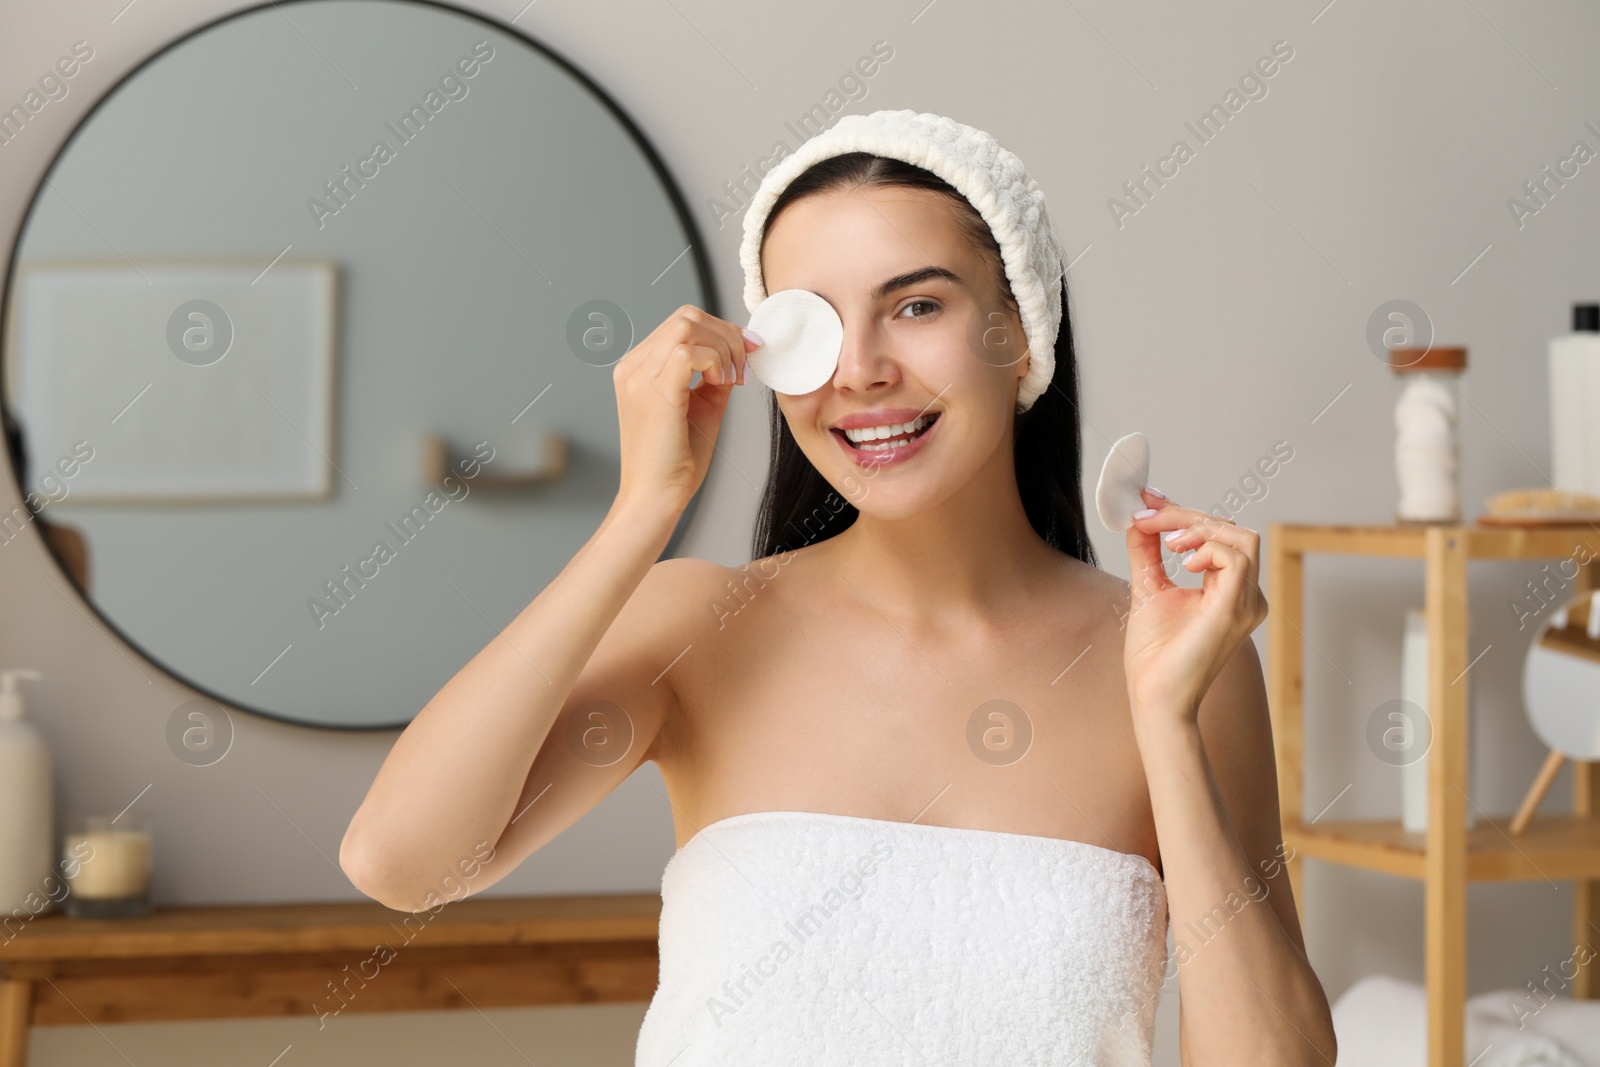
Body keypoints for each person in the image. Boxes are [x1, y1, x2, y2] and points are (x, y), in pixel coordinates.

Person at [341, 109, 1335, 1064]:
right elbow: (402, 862)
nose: (858, 370)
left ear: (1021, 331)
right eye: (810, 322)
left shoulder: (1175, 660)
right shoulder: (702, 624)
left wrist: (1163, 715)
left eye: (916, 306)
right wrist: (640, 512)